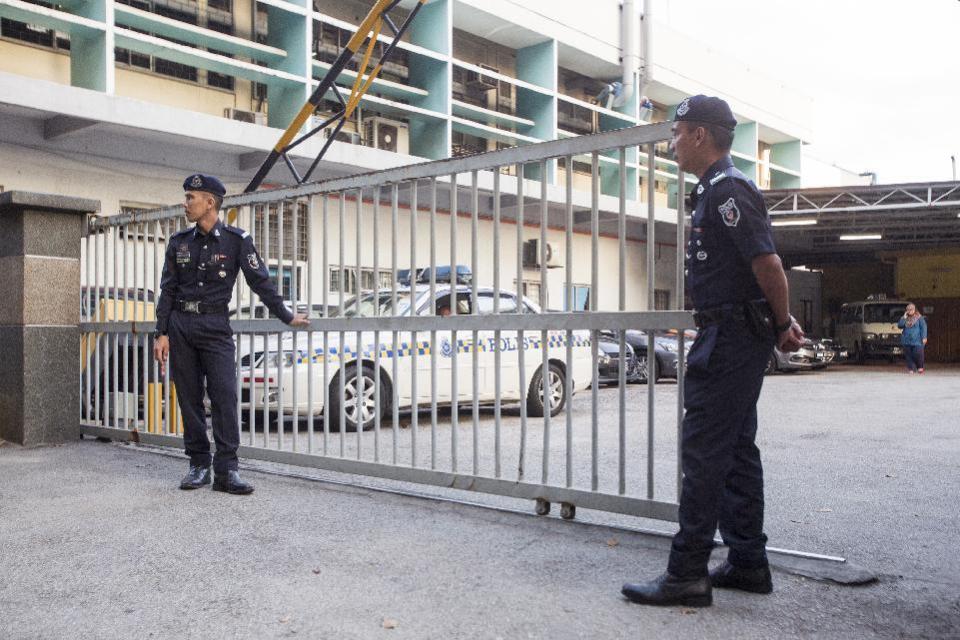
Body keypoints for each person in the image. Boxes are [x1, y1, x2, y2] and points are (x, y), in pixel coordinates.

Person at [621, 95, 804, 607]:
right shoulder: (712, 191)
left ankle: (687, 574)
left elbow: (767, 264)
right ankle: (748, 563)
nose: (672, 143)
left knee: (703, 453)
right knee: (737, 451)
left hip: (730, 339)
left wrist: (783, 323)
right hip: (732, 335)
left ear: (700, 135)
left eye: (676, 134)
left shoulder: (729, 191)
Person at [153, 174, 309, 495]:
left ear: (210, 202)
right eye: (186, 197)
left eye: (191, 198)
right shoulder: (179, 242)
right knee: (189, 397)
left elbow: (260, 282)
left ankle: (227, 470)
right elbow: (167, 290)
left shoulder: (236, 241)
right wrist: (162, 332)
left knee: (225, 395)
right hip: (182, 326)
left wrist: (286, 315)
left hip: (215, 328)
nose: (186, 204)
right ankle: (198, 465)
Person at [897, 303, 927, 373]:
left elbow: (923, 327)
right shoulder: (904, 318)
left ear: (914, 309)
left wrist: (924, 337)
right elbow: (900, 325)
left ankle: (920, 367)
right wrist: (904, 317)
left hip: (917, 340)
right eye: (908, 310)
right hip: (906, 339)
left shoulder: (919, 318)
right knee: (908, 355)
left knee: (918, 353)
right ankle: (911, 368)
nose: (909, 311)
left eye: (911, 309)